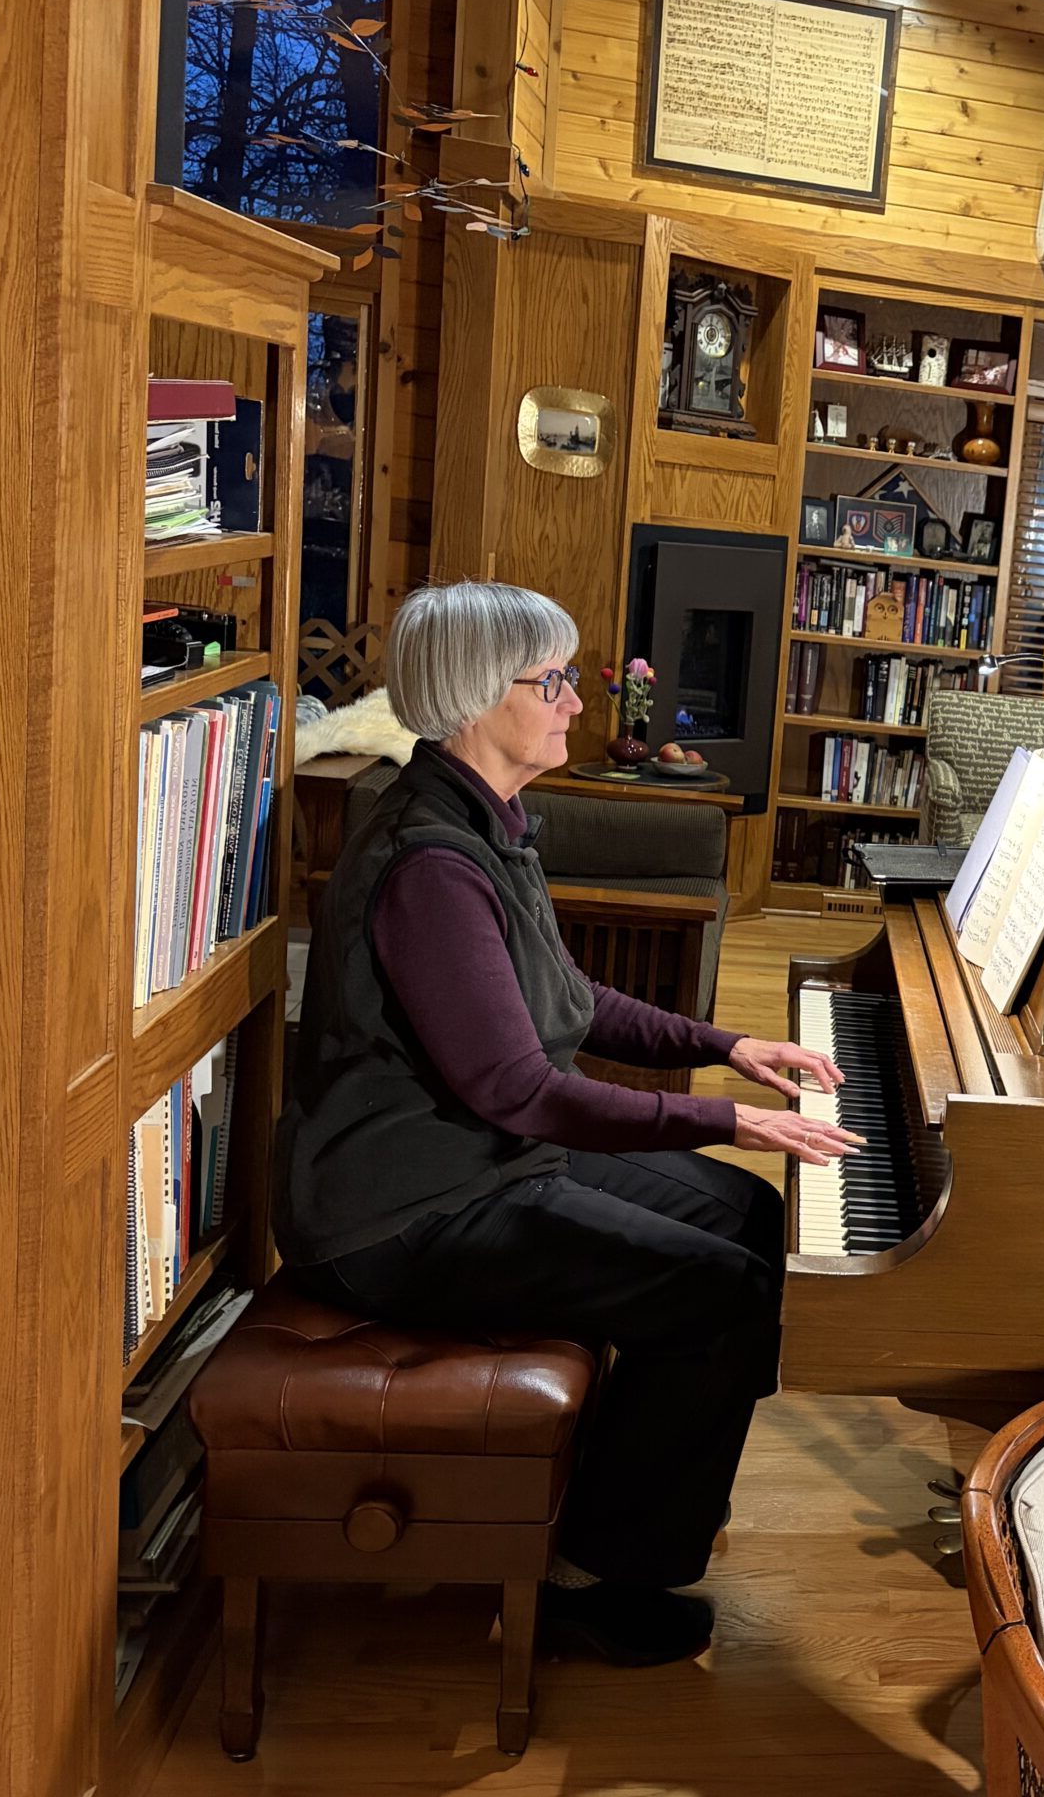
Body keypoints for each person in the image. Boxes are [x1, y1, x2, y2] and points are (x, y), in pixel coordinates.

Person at [275, 580, 863, 1667]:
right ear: (472, 698)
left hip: (477, 1161)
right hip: (400, 1212)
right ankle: (596, 1580)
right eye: (549, 682)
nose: (575, 704)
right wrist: (722, 1119)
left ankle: (646, 1481)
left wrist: (725, 1044)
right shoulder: (430, 863)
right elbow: (522, 1090)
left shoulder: (482, 819)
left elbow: (568, 999)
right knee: (721, 1291)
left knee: (745, 1221)